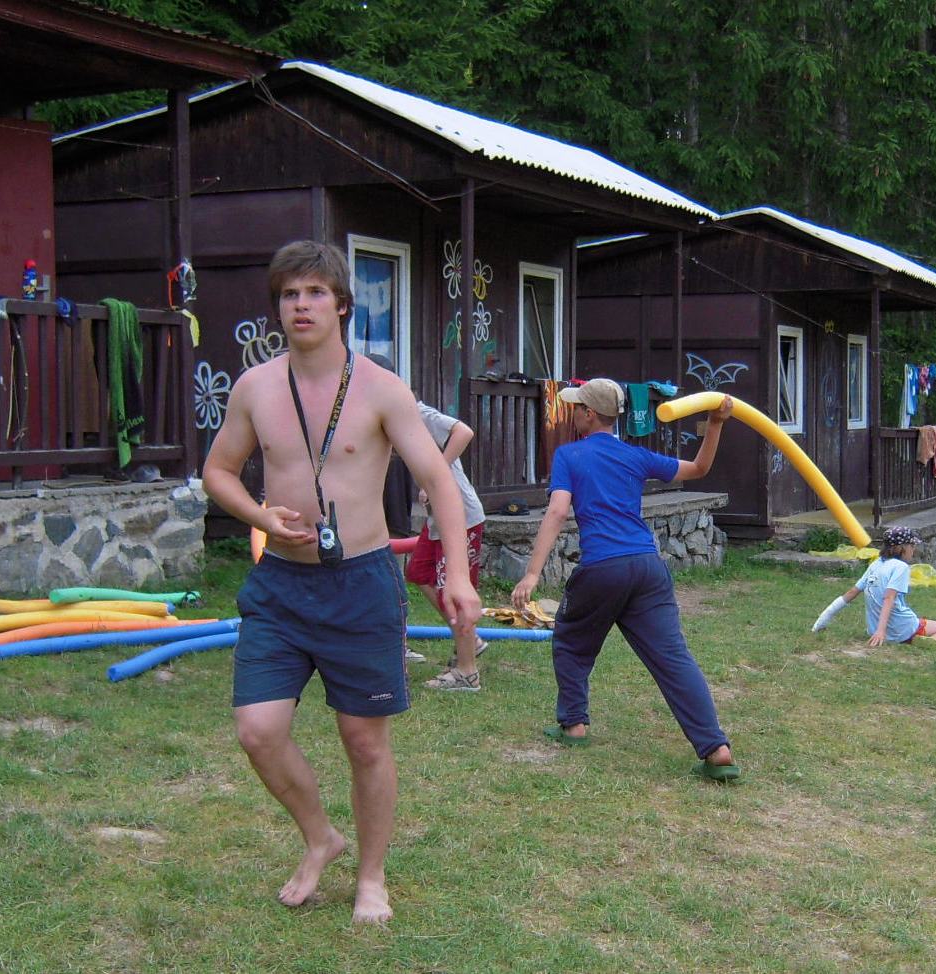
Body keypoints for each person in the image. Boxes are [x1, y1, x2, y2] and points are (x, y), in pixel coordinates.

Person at [203, 240, 480, 924]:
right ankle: (320, 837)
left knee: (363, 740)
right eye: (289, 295)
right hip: (280, 586)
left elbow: (438, 479)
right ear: (278, 308)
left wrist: (459, 575)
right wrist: (258, 514)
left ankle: (371, 877)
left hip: (359, 584)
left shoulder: (381, 389)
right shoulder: (255, 387)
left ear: (342, 306)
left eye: (315, 293)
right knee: (258, 730)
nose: (301, 305)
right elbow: (218, 472)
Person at [510, 379, 740, 782]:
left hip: (602, 569)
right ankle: (716, 748)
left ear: (589, 414)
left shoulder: (570, 455)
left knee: (570, 640)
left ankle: (573, 724)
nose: (572, 413)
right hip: (647, 568)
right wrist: (716, 423)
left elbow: (558, 512)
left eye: (576, 408)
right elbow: (699, 469)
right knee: (673, 658)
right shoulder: (635, 456)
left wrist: (532, 573)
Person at [372, 355, 488, 692]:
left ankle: (467, 672)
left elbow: (463, 432)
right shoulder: (388, 416)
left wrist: (436, 471)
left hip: (461, 515)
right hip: (437, 519)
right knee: (419, 573)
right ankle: (470, 639)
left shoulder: (416, 412)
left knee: (455, 590)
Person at [811, 525, 936, 648]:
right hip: (902, 629)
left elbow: (851, 592)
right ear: (901, 548)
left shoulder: (875, 564)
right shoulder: (901, 567)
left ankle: (916, 637)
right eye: (912, 545)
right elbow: (889, 597)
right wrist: (881, 631)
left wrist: (822, 621)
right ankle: (931, 640)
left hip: (874, 631)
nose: (914, 549)